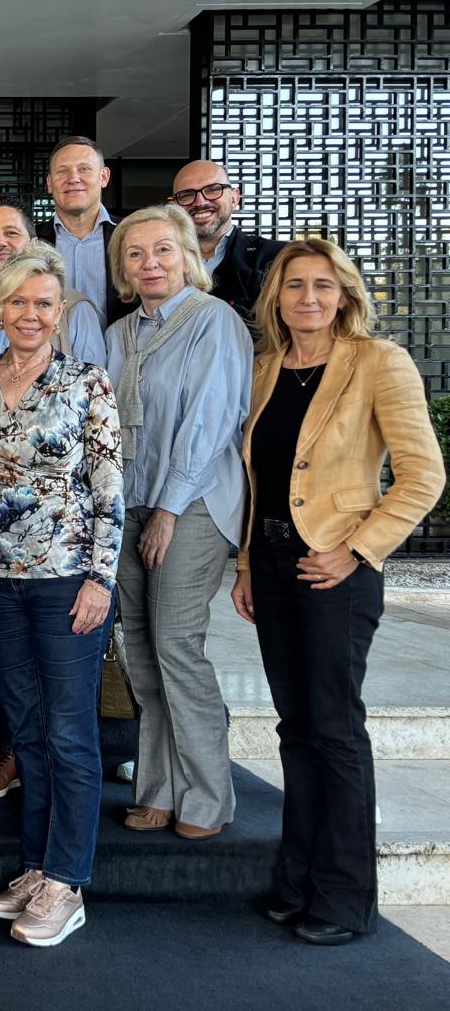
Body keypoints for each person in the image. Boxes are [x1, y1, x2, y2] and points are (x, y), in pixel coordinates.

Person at [232, 239, 443, 946]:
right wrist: (245, 566)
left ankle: (346, 897)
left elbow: (422, 475)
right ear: (277, 297)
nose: (309, 297)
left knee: (334, 728)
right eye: (295, 285)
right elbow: (259, 481)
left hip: (337, 568)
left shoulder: (378, 362)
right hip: (271, 564)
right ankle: (298, 881)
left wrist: (356, 549)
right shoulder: (264, 369)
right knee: (295, 728)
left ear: (346, 295)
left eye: (324, 285)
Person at [0, 245, 124, 948]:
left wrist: (101, 579)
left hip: (66, 580)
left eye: (44, 303)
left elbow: (110, 487)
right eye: (17, 301)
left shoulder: (87, 382)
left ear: (62, 312)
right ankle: (36, 866)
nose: (30, 314)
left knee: (70, 734)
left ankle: (67, 882)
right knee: (25, 731)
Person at [104, 204, 252, 840]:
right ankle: (158, 791)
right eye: (135, 254)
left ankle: (208, 797)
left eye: (163, 250)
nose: (150, 264)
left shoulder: (214, 321)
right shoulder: (119, 334)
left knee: (176, 647)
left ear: (189, 256)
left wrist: (167, 510)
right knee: (140, 653)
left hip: (190, 505)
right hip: (130, 502)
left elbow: (209, 422)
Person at [0, 196, 106, 380]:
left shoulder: (76, 310)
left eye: (11, 233)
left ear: (34, 245)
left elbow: (94, 387)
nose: (0, 242)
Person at [169, 160, 286, 326]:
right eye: (186, 195)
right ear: (175, 206)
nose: (200, 202)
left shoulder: (276, 257)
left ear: (234, 198)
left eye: (213, 189)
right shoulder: (157, 263)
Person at [38, 136, 125, 326]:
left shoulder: (129, 235)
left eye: (84, 169)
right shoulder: (33, 241)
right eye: (62, 171)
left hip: (118, 345)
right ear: (50, 183)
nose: (73, 179)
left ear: (104, 177)